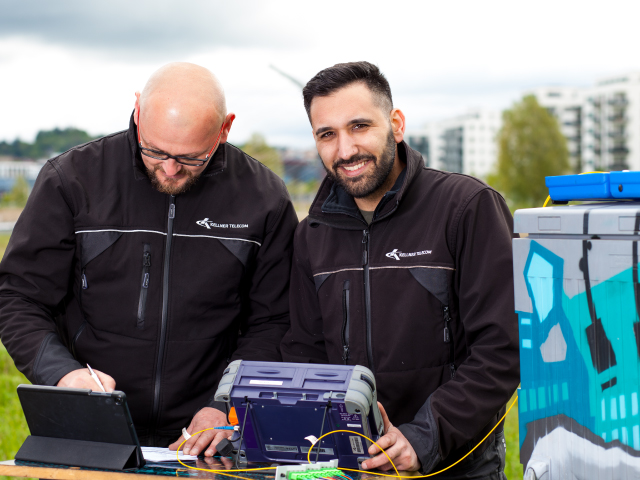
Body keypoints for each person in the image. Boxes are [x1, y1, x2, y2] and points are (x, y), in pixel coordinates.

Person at [0, 63, 298, 455]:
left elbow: (274, 321)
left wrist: (227, 406)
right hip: (88, 425)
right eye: (154, 150)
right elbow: (18, 296)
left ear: (225, 129)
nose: (170, 169)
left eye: (191, 157)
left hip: (209, 437)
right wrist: (62, 374)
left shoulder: (265, 199)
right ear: (138, 112)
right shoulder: (71, 179)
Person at [281, 62, 519, 479]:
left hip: (457, 464)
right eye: (327, 134)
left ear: (396, 124)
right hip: (352, 464)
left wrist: (424, 437)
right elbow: (304, 351)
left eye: (359, 126)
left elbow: (503, 347)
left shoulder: (467, 207)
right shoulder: (311, 234)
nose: (346, 150)